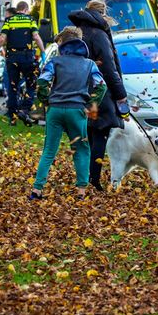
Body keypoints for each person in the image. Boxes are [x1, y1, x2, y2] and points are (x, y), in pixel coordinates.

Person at [30, 26, 106, 199]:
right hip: (77, 110)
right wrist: (90, 104)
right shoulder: (89, 64)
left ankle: (37, 189)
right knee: (81, 149)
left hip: (55, 110)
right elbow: (101, 85)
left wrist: (46, 100)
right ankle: (80, 190)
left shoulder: (55, 62)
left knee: (49, 150)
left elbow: (42, 82)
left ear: (63, 43)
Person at [68, 0, 129, 189]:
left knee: (86, 134)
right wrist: (121, 94)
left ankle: (83, 177)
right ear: (103, 14)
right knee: (99, 134)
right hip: (98, 92)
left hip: (78, 90)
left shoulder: (76, 32)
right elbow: (110, 69)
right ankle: (93, 179)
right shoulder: (99, 34)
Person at [0, 1, 45, 126]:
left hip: (12, 57)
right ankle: (24, 109)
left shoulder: (9, 21)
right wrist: (43, 51)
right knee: (31, 84)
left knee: (13, 87)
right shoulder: (30, 20)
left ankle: (12, 118)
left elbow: (2, 38)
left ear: (18, 9)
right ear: (26, 9)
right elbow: (36, 36)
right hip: (27, 56)